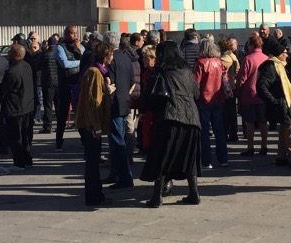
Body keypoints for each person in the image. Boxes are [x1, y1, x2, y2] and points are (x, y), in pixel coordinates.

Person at [140, 41, 203, 207]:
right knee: (189, 157)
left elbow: (148, 97)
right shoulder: (187, 72)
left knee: (162, 156)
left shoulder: (160, 72)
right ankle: (194, 192)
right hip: (192, 119)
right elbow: (196, 94)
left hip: (169, 118)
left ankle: (156, 197)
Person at [74, 41, 115, 207]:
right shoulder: (94, 73)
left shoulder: (98, 73)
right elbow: (93, 102)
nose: (112, 58)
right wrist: (96, 126)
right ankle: (93, 196)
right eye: (111, 55)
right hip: (90, 125)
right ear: (105, 57)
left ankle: (97, 194)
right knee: (92, 162)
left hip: (91, 124)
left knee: (93, 160)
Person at [256, 37, 291, 171]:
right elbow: (261, 86)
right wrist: (274, 101)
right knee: (290, 131)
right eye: (284, 53)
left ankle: (281, 157)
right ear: (279, 55)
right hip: (282, 103)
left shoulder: (280, 66)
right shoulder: (271, 67)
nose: (287, 55)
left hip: (284, 103)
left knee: (284, 130)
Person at [106, 32, 140, 188]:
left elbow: (110, 84)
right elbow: (133, 81)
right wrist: (126, 93)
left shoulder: (111, 60)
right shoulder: (126, 57)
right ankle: (115, 173)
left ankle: (124, 176)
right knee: (118, 140)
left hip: (115, 103)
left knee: (117, 140)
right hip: (125, 101)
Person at [0, 43, 35, 169]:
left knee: (16, 137)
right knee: (26, 136)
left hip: (15, 108)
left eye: (9, 52)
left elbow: (4, 90)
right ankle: (27, 159)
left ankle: (19, 162)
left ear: (14, 55)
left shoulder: (12, 72)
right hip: (28, 106)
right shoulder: (27, 66)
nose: (7, 55)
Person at [193, 37, 229, 170]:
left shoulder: (200, 63)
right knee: (219, 130)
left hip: (203, 99)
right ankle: (223, 158)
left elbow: (195, 84)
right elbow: (225, 80)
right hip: (218, 98)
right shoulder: (219, 62)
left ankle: (206, 160)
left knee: (204, 131)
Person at [235, 33, 270, 156]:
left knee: (249, 122)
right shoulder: (266, 58)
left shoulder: (248, 59)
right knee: (263, 122)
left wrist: (238, 91)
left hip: (249, 94)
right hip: (263, 94)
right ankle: (264, 146)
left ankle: (250, 147)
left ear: (250, 45)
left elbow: (241, 78)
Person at [55, 26, 84, 149]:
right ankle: (59, 142)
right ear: (67, 34)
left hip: (77, 83)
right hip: (65, 84)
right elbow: (65, 64)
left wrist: (78, 49)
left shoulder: (79, 46)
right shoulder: (60, 47)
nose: (74, 36)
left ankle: (85, 140)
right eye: (72, 33)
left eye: (76, 33)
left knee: (81, 114)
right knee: (62, 114)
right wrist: (79, 62)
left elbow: (85, 57)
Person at [219, 37, 240, 142]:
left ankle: (228, 132)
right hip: (232, 87)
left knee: (227, 113)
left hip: (227, 88)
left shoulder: (226, 58)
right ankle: (233, 133)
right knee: (231, 112)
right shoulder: (233, 56)